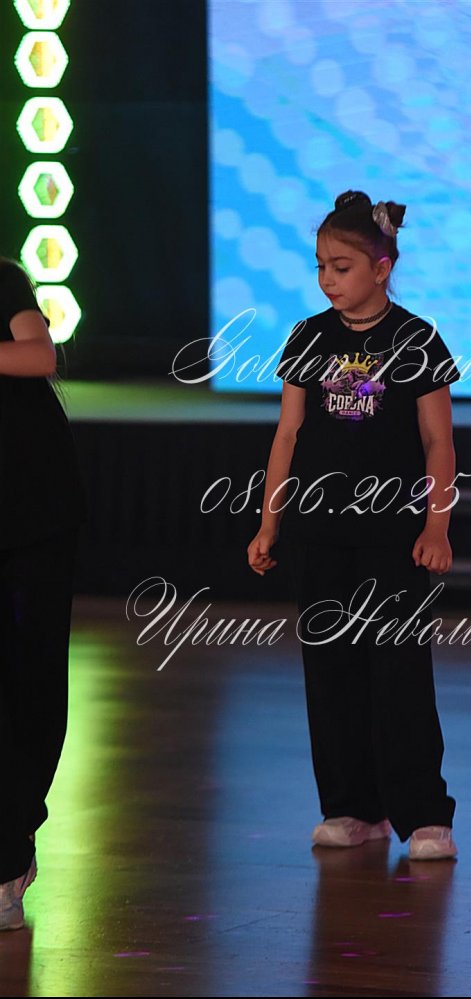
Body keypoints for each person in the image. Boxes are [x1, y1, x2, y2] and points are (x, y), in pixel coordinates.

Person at [247, 190, 462, 860]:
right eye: (320, 266)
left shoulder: (416, 339)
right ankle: (352, 807)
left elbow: (438, 441)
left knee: (399, 673)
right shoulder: (309, 338)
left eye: (341, 267)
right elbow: (288, 435)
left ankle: (423, 815)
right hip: (319, 532)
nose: (328, 280)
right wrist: (269, 523)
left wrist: (436, 527)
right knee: (331, 671)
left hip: (394, 537)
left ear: (382, 267)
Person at [0, 258, 87, 929]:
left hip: (30, 513)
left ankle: (9, 853)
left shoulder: (3, 280)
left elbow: (40, 355)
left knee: (27, 682)